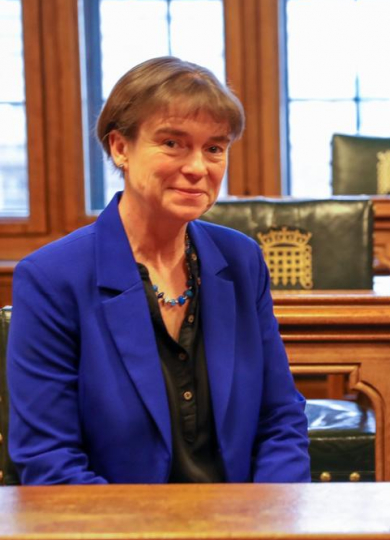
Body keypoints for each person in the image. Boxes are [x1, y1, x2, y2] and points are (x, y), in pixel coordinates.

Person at [7, 57, 310, 484]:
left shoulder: (240, 261)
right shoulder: (52, 277)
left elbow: (280, 419)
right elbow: (49, 458)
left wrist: (264, 520)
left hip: (243, 523)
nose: (198, 168)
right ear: (120, 148)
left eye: (214, 148)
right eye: (173, 143)